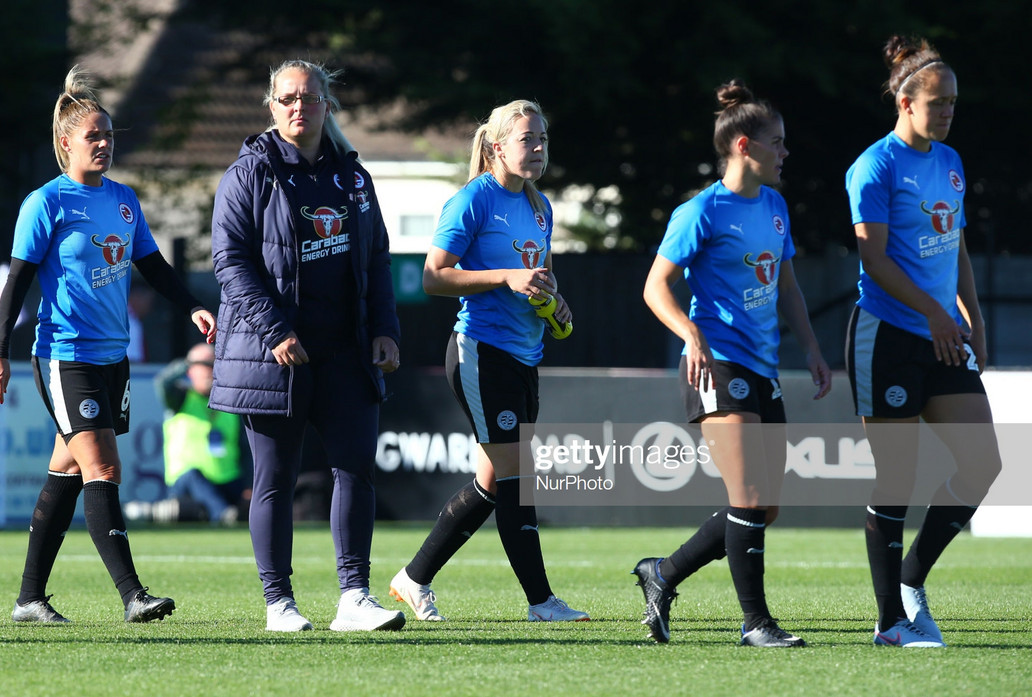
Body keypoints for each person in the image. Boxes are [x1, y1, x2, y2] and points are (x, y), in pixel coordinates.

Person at [0, 66, 216, 625]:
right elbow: (15, 281)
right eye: (95, 136)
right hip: (65, 355)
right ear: (66, 144)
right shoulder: (46, 203)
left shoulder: (123, 200)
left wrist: (191, 305)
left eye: (110, 135)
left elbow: (153, 267)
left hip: (114, 359)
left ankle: (29, 599)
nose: (106, 144)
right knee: (104, 467)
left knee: (66, 471)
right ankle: (133, 594)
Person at [633, 81, 832, 648]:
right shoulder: (701, 210)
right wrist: (691, 333)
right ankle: (755, 624)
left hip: (763, 369)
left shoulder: (773, 205)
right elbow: (655, 288)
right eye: (779, 142)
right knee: (747, 498)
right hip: (715, 364)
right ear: (745, 145)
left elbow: (787, 285)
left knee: (764, 508)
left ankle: (662, 574)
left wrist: (813, 349)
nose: (786, 152)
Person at [210, 59, 404, 633]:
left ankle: (354, 599)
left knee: (356, 471)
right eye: (288, 98)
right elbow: (230, 261)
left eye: (310, 98)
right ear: (271, 106)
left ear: (327, 106)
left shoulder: (353, 176)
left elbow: (376, 259)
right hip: (273, 354)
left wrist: (386, 328)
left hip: (346, 349)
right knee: (274, 479)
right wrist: (277, 330)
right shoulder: (248, 174)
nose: (300, 107)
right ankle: (279, 604)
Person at [387, 99, 590, 624]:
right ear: (498, 147)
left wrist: (554, 303)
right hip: (479, 352)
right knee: (519, 476)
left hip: (524, 355)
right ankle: (542, 602)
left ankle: (413, 578)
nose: (540, 148)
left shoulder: (541, 206)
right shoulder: (472, 202)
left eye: (543, 138)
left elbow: (538, 278)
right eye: (528, 139)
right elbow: (434, 275)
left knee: (493, 484)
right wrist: (505, 276)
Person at [844, 36, 1000, 649]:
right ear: (905, 102)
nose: (947, 112)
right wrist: (936, 315)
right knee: (897, 480)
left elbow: (955, 245)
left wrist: (974, 319)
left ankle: (912, 579)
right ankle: (889, 623)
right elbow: (874, 259)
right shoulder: (874, 165)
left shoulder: (951, 161)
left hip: (943, 332)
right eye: (938, 103)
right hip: (888, 333)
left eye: (953, 103)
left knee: (983, 464)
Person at [125, 342, 247, 525]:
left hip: (226, 480)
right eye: (204, 367)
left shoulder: (230, 404)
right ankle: (222, 514)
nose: (209, 372)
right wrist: (189, 362)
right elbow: (163, 382)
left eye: (213, 366)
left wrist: (249, 486)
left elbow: (244, 449)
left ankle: (159, 512)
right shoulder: (181, 398)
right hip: (186, 482)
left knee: (254, 500)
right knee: (193, 476)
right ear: (190, 371)